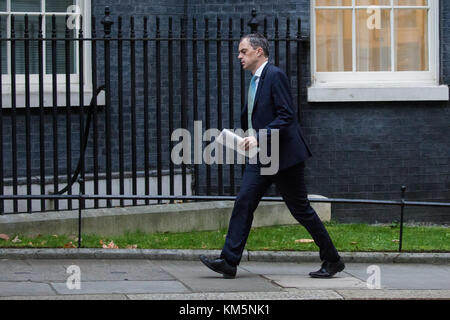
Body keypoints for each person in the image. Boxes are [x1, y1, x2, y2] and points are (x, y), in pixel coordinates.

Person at [200, 33, 345, 279]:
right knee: (244, 200)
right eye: (239, 52)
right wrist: (249, 139)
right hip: (262, 155)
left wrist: (260, 135)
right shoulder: (256, 80)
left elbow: (287, 115)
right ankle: (229, 260)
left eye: (243, 51)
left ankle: (332, 260)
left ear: (259, 52)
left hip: (283, 156)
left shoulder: (274, 75)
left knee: (301, 210)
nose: (239, 56)